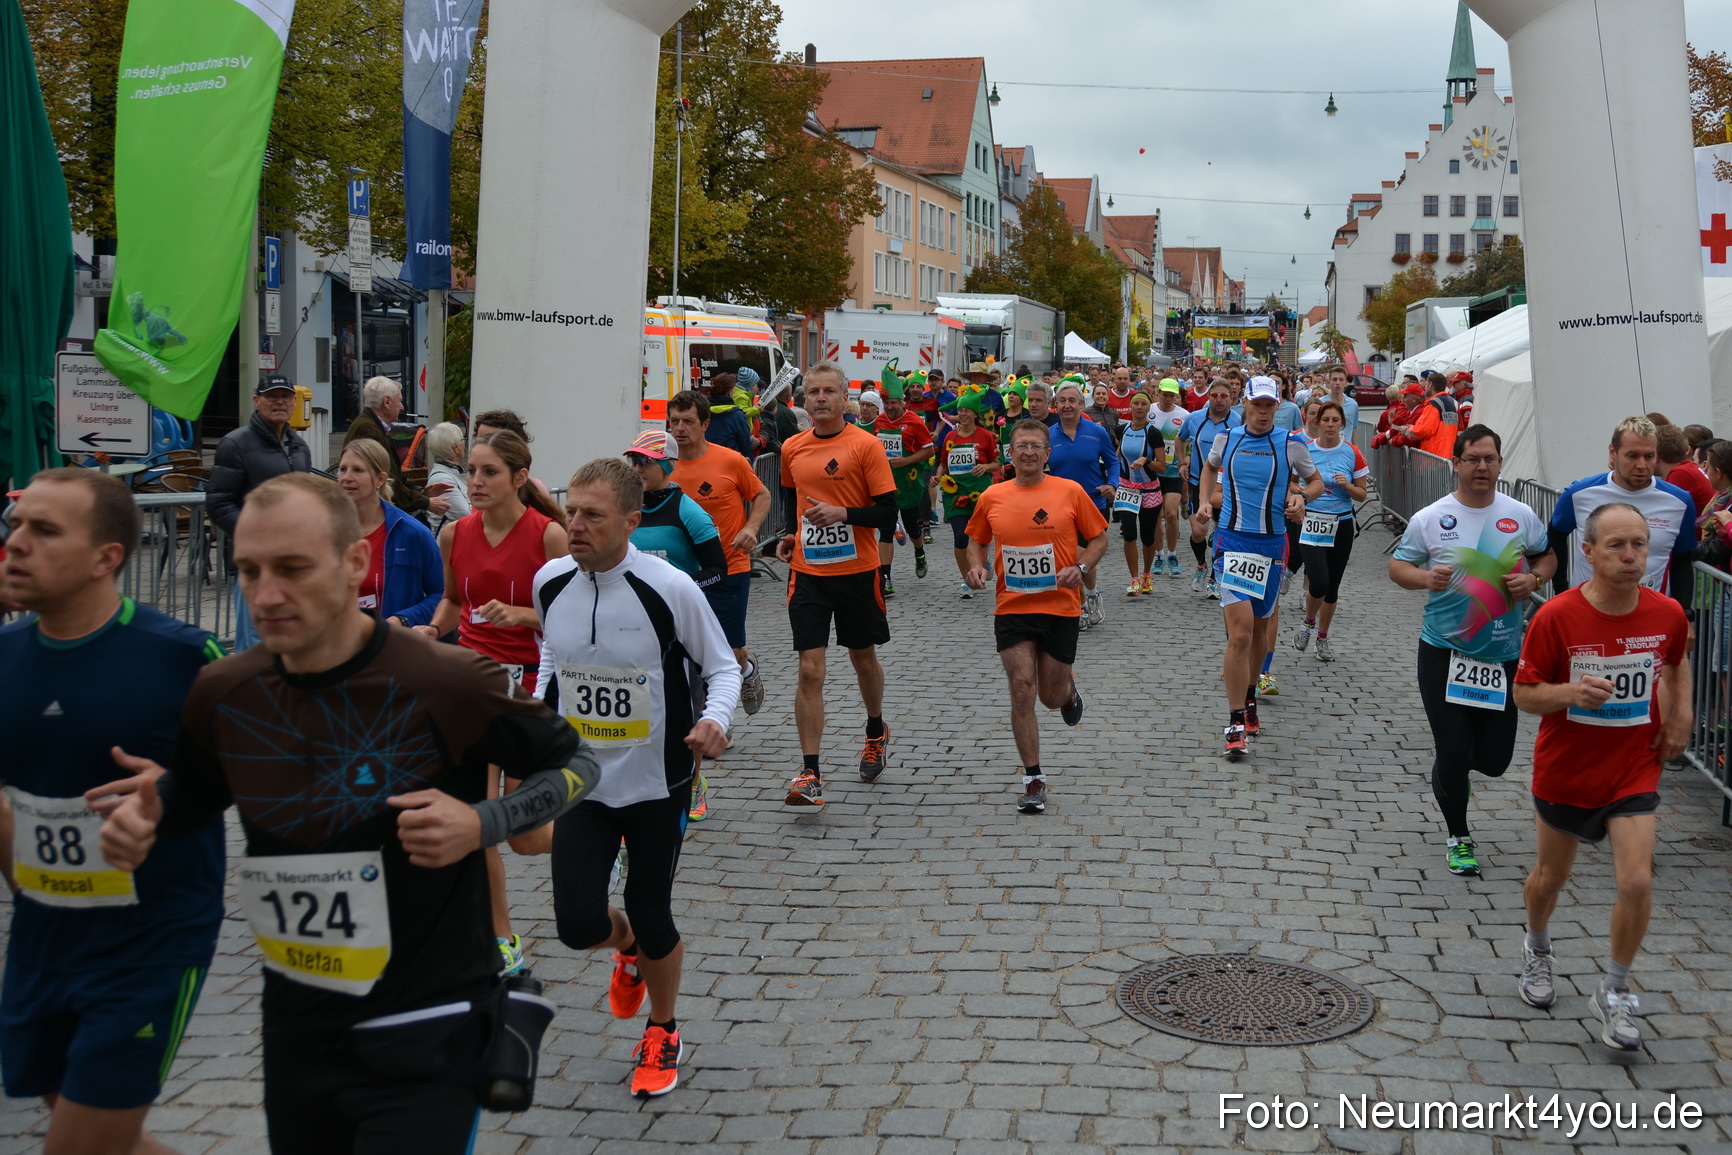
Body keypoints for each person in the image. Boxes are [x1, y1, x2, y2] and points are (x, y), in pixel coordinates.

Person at [99, 473, 599, 1151]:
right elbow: (189, 804)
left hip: (430, 1022)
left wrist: (481, 822)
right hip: (299, 1027)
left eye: (293, 568)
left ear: (355, 562)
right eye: (248, 570)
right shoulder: (223, 692)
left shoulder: (441, 679)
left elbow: (576, 766)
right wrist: (144, 818)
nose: (266, 593)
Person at [0, 469, 226, 1155]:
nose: (15, 543)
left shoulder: (183, 657)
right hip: (44, 933)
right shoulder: (5, 659)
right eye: (15, 525)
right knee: (83, 1118)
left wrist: (170, 789)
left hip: (151, 936)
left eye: (44, 530)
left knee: (77, 1145)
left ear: (107, 558)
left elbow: (260, 770)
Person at [533, 458, 738, 1097]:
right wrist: (536, 716)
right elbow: (553, 656)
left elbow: (724, 668)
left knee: (652, 910)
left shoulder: (669, 588)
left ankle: (662, 1027)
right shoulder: (549, 581)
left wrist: (715, 720)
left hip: (658, 780)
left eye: (592, 515)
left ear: (631, 519)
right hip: (583, 782)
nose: (576, 525)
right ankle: (624, 951)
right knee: (576, 925)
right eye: (571, 511)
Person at [1512, 502, 1690, 1052]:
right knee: (1549, 878)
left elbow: (1676, 661)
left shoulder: (1667, 614)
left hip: (1634, 765)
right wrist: (1571, 693)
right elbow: (1522, 694)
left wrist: (1680, 713)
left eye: (1638, 544)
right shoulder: (1556, 617)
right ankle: (1538, 949)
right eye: (1616, 545)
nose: (1631, 555)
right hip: (1568, 768)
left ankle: (1614, 990)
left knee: (1637, 880)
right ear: (1587, 554)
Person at [420, 429, 569, 975]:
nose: (475, 483)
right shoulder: (453, 534)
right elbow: (453, 602)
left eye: (489, 473)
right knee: (479, 818)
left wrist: (527, 616)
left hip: (531, 686)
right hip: (473, 687)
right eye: (471, 472)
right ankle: (502, 940)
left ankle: (592, 834)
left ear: (520, 479)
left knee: (527, 838)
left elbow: (573, 616)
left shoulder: (548, 536)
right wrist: (432, 632)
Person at [1388, 424, 1555, 875]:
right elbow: (1397, 566)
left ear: (1500, 463)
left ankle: (1452, 776)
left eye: (1490, 459)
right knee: (1455, 748)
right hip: (1444, 652)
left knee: (1497, 761)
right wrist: (1424, 577)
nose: (1482, 467)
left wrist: (1534, 580)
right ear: (1456, 464)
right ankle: (1458, 834)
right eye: (1473, 459)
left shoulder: (1519, 515)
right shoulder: (1431, 518)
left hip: (1501, 653)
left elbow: (1547, 556)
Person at [965, 420, 1107, 813]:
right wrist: (975, 568)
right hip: (1012, 607)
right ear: (1009, 454)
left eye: (1036, 446)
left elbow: (1099, 537)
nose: (1028, 452)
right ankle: (1033, 777)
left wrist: (1080, 567)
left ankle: (1067, 692)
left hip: (1060, 606)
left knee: (1048, 695)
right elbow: (975, 541)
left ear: (1048, 454)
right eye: (1021, 446)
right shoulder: (992, 496)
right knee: (1022, 688)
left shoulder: (1071, 492)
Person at [775, 363, 898, 806]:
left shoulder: (865, 446)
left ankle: (875, 730)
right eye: (813, 392)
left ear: (846, 398)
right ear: (804, 401)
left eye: (830, 391)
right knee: (810, 669)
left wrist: (844, 513)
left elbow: (887, 514)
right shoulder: (792, 447)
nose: (821, 398)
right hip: (808, 574)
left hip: (857, 572)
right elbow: (795, 500)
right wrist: (791, 534)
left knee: (863, 659)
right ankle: (810, 772)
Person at [1195, 376, 1321, 759]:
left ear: (1278, 405)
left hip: (1272, 547)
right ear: (1243, 404)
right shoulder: (1226, 439)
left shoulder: (1290, 443)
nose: (1263, 412)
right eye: (1257, 405)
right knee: (1241, 634)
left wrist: (1300, 497)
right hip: (1231, 544)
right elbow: (1207, 470)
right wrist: (1203, 503)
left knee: (1263, 629)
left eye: (1270, 405)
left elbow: (1315, 482)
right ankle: (1235, 723)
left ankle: (1249, 697)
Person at [666, 390, 771, 716]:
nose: (680, 428)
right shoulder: (662, 469)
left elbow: (763, 496)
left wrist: (751, 528)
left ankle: (746, 670)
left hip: (729, 567)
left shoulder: (730, 460)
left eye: (688, 421)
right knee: (689, 650)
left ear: (705, 423)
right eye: (674, 421)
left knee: (728, 649)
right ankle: (712, 721)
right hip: (683, 575)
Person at [1549, 416, 1697, 613]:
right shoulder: (1579, 494)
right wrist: (1561, 592)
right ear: (1613, 452)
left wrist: (1684, 612)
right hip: (1588, 613)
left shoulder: (1679, 501)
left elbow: (1682, 560)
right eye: (1632, 456)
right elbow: (1554, 538)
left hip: (1651, 616)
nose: (1642, 465)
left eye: (1649, 456)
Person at [208, 375, 312, 650]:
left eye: (286, 396)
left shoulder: (299, 447)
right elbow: (218, 504)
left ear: (293, 403)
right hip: (256, 567)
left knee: (292, 644)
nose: (279, 402)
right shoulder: (235, 444)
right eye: (271, 396)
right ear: (257, 401)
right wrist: (260, 537)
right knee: (257, 649)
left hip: (295, 565)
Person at [336, 440, 444, 628]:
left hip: (391, 648)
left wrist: (403, 619)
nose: (346, 477)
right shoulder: (325, 531)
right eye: (342, 469)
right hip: (335, 649)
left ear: (380, 479)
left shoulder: (411, 533)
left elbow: (443, 595)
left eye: (357, 470)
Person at [1291, 402, 1368, 663]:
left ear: (1342, 424)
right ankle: (1307, 623)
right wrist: (1300, 495)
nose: (1331, 425)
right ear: (1318, 423)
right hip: (1311, 521)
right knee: (1319, 580)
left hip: (1342, 524)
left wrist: (1347, 486)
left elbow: (1362, 494)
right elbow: (1291, 483)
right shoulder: (1304, 450)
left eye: (1336, 420)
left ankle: (1322, 638)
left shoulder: (1352, 453)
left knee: (1332, 588)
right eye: (1327, 420)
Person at [1047, 382, 1119, 628]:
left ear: (1080, 404)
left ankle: (1092, 594)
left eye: (1071, 401)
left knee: (1087, 555)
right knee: (1069, 555)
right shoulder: (1048, 435)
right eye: (1062, 401)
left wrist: (1113, 484)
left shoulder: (1096, 432)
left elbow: (1113, 462)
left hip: (1093, 502)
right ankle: (1077, 607)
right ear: (1055, 406)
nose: (1067, 405)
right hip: (1060, 506)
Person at [344, 376, 448, 518]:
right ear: (387, 401)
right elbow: (388, 480)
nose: (402, 407)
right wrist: (425, 502)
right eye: (400, 401)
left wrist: (420, 492)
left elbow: (394, 476)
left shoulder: (374, 426)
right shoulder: (370, 430)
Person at [869, 375, 936, 597]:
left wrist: (906, 461)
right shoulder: (879, 421)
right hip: (885, 483)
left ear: (902, 402)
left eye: (894, 403)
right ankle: (885, 577)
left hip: (908, 483)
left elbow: (929, 451)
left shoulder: (915, 421)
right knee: (886, 530)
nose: (890, 407)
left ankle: (919, 552)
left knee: (911, 526)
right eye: (886, 403)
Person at [1177, 380, 1242, 597]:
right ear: (1209, 396)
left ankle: (1215, 577)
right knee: (1199, 532)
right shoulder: (1194, 418)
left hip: (1226, 486)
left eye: (1224, 396)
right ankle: (1201, 565)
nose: (1219, 400)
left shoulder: (1238, 421)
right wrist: (1182, 462)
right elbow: (1180, 440)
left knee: (1222, 532)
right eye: (1215, 395)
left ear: (1232, 397)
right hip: (1198, 482)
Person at [936, 387, 999, 598]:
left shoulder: (986, 436)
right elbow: (943, 465)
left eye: (966, 410)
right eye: (960, 410)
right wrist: (937, 477)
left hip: (979, 493)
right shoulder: (950, 437)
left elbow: (996, 462)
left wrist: (985, 468)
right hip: (955, 493)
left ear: (974, 414)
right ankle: (967, 579)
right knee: (960, 537)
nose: (962, 414)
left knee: (979, 536)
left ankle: (982, 557)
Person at [1114, 391, 1168, 595]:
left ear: (1148, 408)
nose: (1138, 407)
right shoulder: (1122, 430)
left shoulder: (1153, 433)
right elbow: (1118, 455)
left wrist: (1146, 460)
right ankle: (1134, 579)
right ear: (1130, 406)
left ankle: (1147, 575)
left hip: (1149, 489)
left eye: (1143, 404)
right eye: (1135, 403)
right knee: (1129, 534)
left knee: (1147, 537)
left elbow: (1162, 467)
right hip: (1127, 487)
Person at [1147, 379, 1190, 576]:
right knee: (1156, 516)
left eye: (1171, 395)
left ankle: (1172, 554)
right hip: (1153, 471)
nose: (1167, 399)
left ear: (1176, 397)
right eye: (1164, 394)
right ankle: (1159, 554)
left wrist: (1187, 458)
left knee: (1171, 513)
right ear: (1157, 394)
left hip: (1173, 472)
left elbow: (1190, 442)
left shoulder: (1184, 415)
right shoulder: (1149, 410)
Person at [424, 421, 473, 535]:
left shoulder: (453, 472)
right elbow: (467, 515)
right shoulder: (442, 479)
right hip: (448, 545)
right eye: (463, 440)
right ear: (455, 448)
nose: (464, 444)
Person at [1657, 421, 1715, 514]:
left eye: (1648, 455)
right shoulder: (1688, 467)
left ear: (1656, 456)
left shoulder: (1681, 474)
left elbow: (1666, 513)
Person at [1398, 373, 1460, 458]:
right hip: (1449, 453)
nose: (1424, 387)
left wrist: (1407, 430)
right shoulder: (1452, 402)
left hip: (1435, 454)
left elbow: (1423, 430)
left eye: (1426, 383)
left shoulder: (1434, 404)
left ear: (1430, 384)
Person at [701, 372, 755, 458]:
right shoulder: (737, 416)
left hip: (706, 461)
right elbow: (745, 445)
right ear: (729, 392)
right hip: (730, 463)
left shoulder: (702, 412)